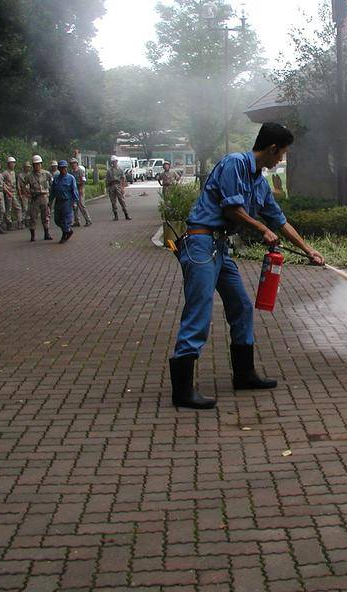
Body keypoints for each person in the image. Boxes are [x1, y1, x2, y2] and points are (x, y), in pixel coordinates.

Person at [169, 122, 324, 410]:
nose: (280, 160)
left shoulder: (259, 183)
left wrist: (309, 250)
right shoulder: (234, 164)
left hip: (219, 248)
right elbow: (232, 209)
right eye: (281, 155)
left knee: (240, 306)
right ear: (271, 148)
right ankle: (182, 390)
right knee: (199, 312)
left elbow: (280, 221)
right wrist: (261, 229)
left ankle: (244, 374)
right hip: (201, 245)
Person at [50, 160, 79, 242]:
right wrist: (50, 201)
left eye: (65, 167)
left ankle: (65, 233)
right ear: (59, 168)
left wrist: (75, 202)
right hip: (58, 201)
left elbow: (74, 191)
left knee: (66, 220)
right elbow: (52, 191)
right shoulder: (56, 178)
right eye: (61, 168)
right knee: (57, 220)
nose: (63, 169)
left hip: (67, 201)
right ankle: (67, 231)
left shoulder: (71, 178)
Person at [26, 155, 53, 241]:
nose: (37, 166)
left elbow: (52, 184)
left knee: (46, 216)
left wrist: (51, 194)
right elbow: (25, 187)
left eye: (39, 164)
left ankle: (46, 234)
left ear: (41, 164)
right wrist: (28, 194)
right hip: (35, 198)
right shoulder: (29, 176)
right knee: (33, 217)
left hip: (44, 197)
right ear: (33, 165)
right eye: (35, 164)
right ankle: (33, 235)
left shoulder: (47, 174)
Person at [105, 156, 131, 221]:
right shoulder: (109, 171)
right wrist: (107, 188)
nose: (114, 163)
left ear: (117, 161)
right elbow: (107, 180)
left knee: (122, 201)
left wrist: (122, 187)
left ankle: (126, 214)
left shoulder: (120, 170)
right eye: (113, 161)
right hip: (111, 186)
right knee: (113, 202)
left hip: (118, 185)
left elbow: (123, 179)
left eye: (115, 161)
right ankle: (116, 215)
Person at [1, 156, 22, 230]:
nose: (13, 165)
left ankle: (20, 222)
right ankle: (8, 223)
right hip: (8, 193)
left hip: (14, 192)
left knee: (18, 207)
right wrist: (6, 187)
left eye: (13, 163)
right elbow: (1, 181)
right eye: (11, 163)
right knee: (8, 209)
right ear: (8, 164)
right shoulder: (5, 173)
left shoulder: (13, 172)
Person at [70, 158, 91, 227]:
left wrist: (81, 189)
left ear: (76, 164)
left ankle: (88, 220)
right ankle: (77, 221)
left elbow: (83, 180)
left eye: (74, 163)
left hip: (80, 189)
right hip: (73, 190)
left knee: (81, 205)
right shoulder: (71, 172)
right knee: (74, 206)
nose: (73, 165)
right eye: (72, 163)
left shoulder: (80, 171)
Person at [18, 161, 31, 226]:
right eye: (26, 167)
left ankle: (27, 220)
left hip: (30, 193)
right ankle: (22, 221)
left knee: (29, 208)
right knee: (24, 208)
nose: (28, 168)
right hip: (23, 193)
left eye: (28, 167)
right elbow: (19, 186)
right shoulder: (20, 175)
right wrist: (20, 194)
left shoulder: (30, 174)